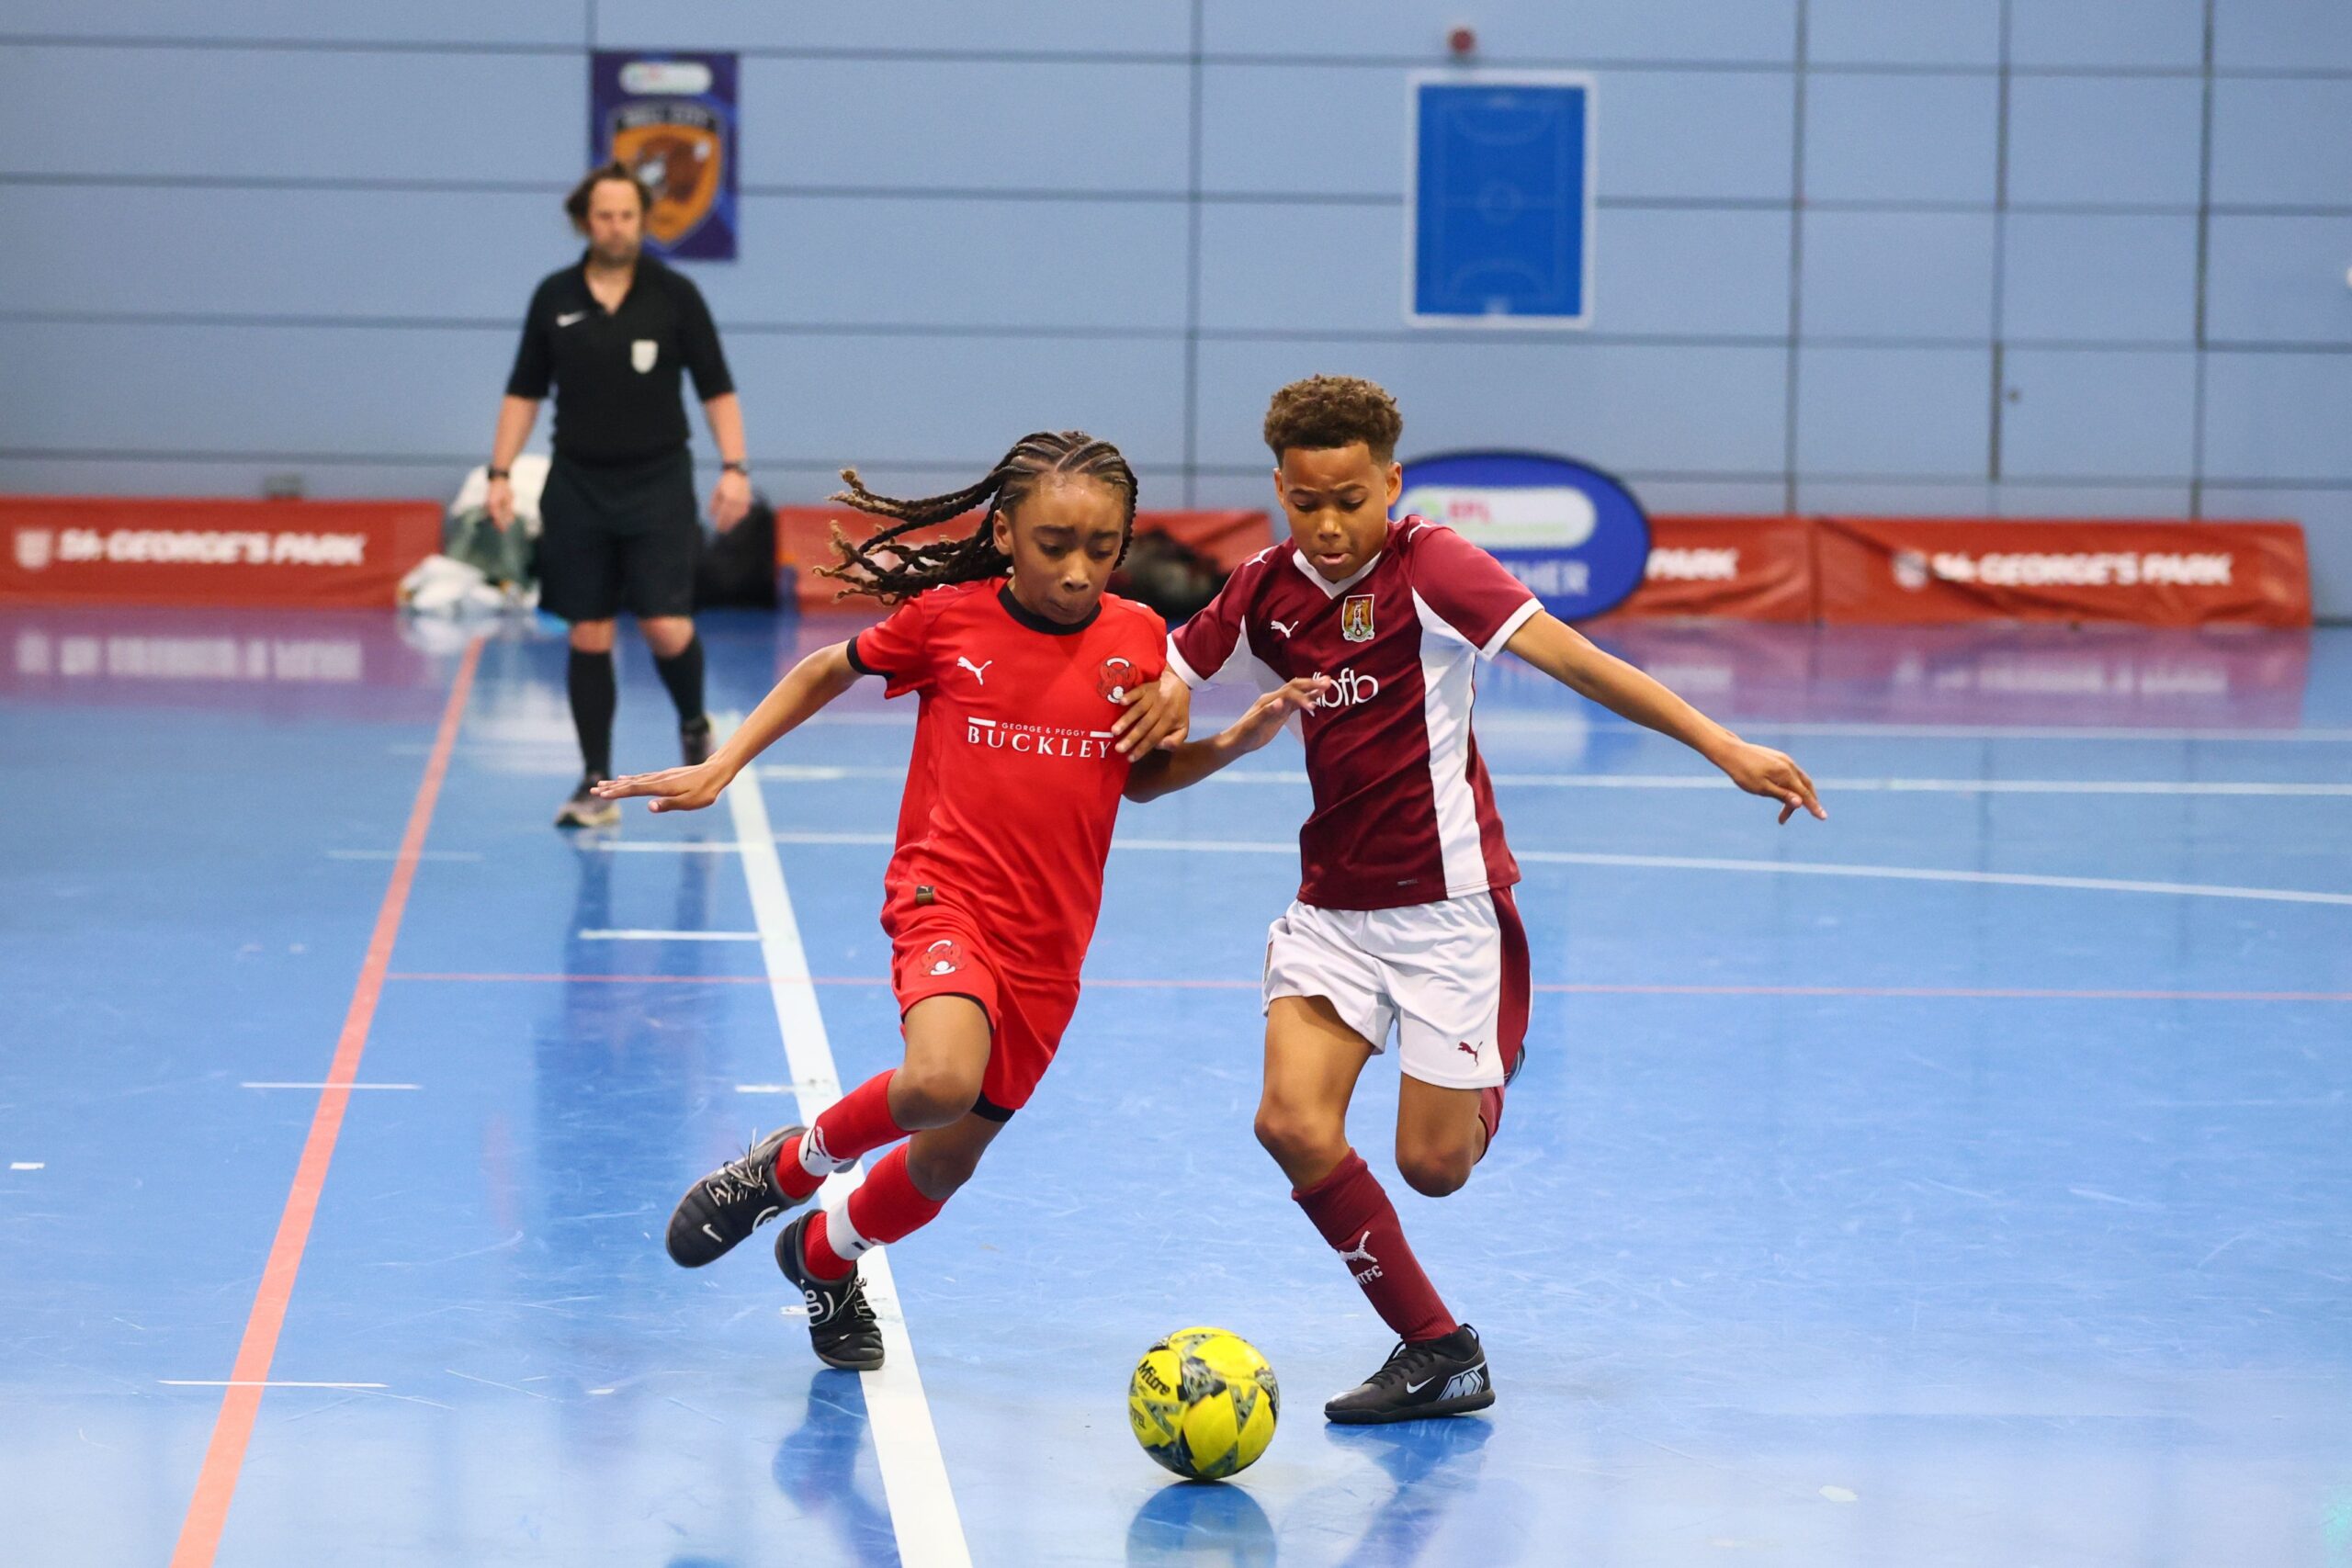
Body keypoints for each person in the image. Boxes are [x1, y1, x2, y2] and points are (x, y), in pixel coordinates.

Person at [1154, 375, 1826, 1424]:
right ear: (1279, 488)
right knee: (1289, 1123)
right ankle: (1439, 1349)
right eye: (1304, 500)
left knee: (1434, 1168)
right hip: (1331, 912)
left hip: (1447, 913)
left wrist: (1721, 744)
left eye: (1350, 498)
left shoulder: (1433, 568)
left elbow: (1577, 660)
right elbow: (1158, 671)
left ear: (1392, 481)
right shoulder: (1260, 589)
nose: (1328, 525)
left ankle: (1484, 1065)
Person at [596, 431, 1326, 1370]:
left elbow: (1132, 780)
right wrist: (723, 763)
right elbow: (827, 668)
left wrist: (1230, 745)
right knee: (938, 1080)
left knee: (942, 1162)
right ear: (1007, 533)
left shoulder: (1141, 640)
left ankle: (821, 1257)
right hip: (946, 896)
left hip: (1050, 943)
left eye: (1101, 548)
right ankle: (785, 1168)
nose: (1076, 570)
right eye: (1054, 544)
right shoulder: (948, 620)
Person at [486, 161, 755, 828]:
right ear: (587, 221)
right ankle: (594, 783)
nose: (616, 227)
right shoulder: (554, 296)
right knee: (589, 630)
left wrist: (735, 466)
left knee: (665, 625)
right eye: (604, 216)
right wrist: (498, 472)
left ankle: (694, 724)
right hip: (577, 483)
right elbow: (523, 391)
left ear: (642, 220)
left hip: (658, 481)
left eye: (628, 215)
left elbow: (716, 386)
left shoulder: (675, 295)